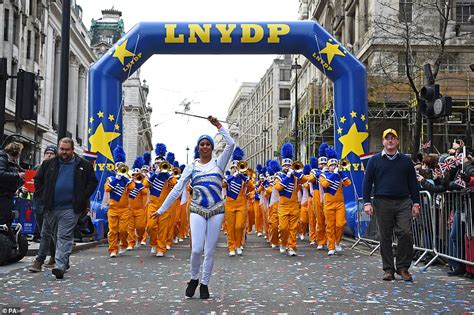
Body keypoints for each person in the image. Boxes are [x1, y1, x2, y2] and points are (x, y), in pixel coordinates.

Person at [151, 115, 235, 299]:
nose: (205, 146)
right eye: (202, 144)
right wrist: (161, 210)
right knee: (197, 249)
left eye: (208, 144)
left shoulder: (219, 164)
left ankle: (205, 283)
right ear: (198, 148)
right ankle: (194, 278)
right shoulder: (192, 167)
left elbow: (231, 144)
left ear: (212, 148)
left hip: (216, 211)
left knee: (210, 250)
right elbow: (176, 190)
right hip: (197, 210)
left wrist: (218, 126)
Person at [30, 138, 98, 279]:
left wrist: (82, 196)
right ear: (58, 148)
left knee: (64, 236)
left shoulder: (83, 165)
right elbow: (38, 180)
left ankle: (60, 266)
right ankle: (64, 261)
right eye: (62, 149)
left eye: (67, 149)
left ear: (72, 150)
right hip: (51, 207)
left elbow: (92, 182)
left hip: (71, 208)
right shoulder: (48, 164)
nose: (64, 152)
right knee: (55, 235)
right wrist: (43, 195)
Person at [363, 128, 420, 282]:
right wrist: (367, 202)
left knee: (405, 233)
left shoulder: (406, 160)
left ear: (397, 141)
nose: (390, 140)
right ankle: (388, 269)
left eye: (393, 138)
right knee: (385, 237)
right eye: (387, 138)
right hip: (382, 202)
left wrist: (416, 203)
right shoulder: (374, 160)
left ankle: (403, 267)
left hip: (403, 201)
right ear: (382, 142)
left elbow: (413, 183)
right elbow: (367, 182)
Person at [31, 145, 57, 267]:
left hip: (50, 205)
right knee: (46, 232)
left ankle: (40, 259)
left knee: (45, 233)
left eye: (52, 153)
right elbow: (31, 183)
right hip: (37, 204)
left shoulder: (57, 169)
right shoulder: (37, 168)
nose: (49, 155)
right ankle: (54, 255)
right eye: (47, 153)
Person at [0, 142, 25, 227]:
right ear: (15, 152)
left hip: (8, 195)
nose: (20, 154)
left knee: (7, 218)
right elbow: (1, 174)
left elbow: (23, 172)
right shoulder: (2, 159)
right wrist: (18, 175)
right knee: (3, 219)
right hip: (2, 195)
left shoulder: (13, 162)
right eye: (20, 152)